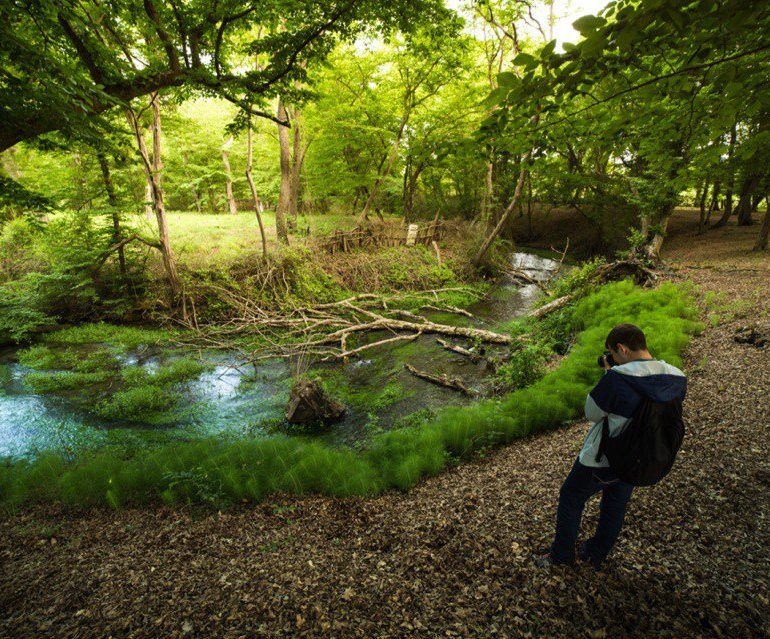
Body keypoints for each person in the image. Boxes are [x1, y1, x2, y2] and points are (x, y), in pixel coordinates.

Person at [535, 323, 687, 570]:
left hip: (606, 457)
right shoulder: (677, 376)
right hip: (642, 457)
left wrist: (608, 374)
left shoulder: (617, 378)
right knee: (616, 503)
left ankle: (561, 557)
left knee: (572, 496)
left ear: (622, 349)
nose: (613, 359)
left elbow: (592, 413)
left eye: (613, 354)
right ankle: (596, 554)